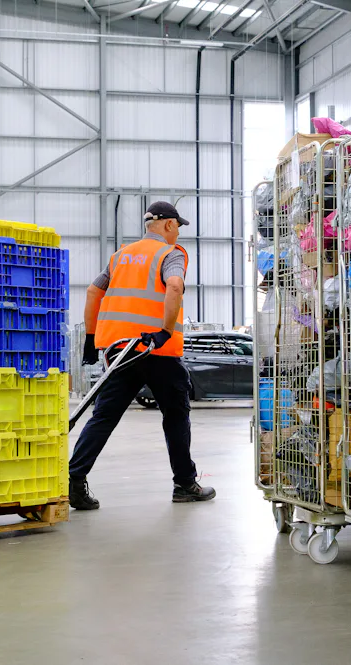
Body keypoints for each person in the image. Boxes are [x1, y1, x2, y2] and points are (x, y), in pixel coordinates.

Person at [69, 201, 216, 510]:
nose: (177, 232)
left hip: (121, 353)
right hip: (156, 351)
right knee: (176, 416)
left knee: (103, 416)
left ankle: (74, 480)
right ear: (169, 225)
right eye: (177, 226)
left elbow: (94, 292)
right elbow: (174, 286)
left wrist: (92, 338)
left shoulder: (119, 257)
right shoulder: (170, 254)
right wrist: (163, 330)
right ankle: (185, 484)